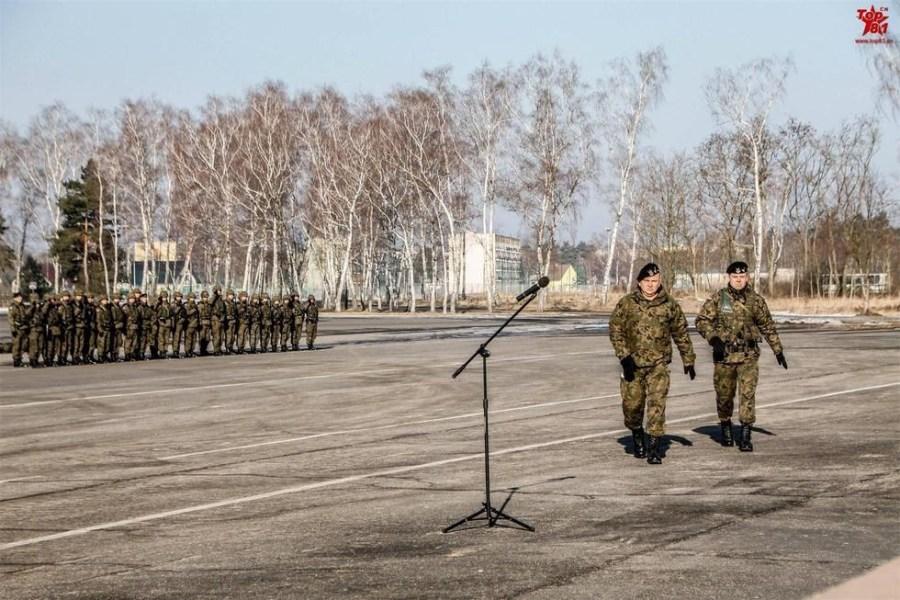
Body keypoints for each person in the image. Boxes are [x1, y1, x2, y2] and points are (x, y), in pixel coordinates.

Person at [695, 261, 787, 452]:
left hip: (748, 356)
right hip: (725, 357)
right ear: (729, 277)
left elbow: (767, 326)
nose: (739, 280)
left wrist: (778, 350)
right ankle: (726, 425)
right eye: (735, 277)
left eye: (742, 277)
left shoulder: (756, 301)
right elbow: (702, 321)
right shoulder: (719, 299)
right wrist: (714, 340)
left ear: (747, 277)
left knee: (747, 395)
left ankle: (745, 434)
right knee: (724, 396)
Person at [609, 263, 695, 464]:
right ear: (639, 282)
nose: (650, 285)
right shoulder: (627, 303)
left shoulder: (669, 305)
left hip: (658, 365)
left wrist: (688, 359)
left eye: (654, 281)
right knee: (632, 407)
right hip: (633, 365)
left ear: (660, 282)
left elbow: (680, 332)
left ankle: (654, 449)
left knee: (657, 406)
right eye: (647, 281)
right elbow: (616, 330)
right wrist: (624, 356)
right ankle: (637, 434)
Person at [8, 291, 29, 367]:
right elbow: (10, 318)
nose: (21, 298)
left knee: (23, 345)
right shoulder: (13, 306)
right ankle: (16, 361)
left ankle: (20, 359)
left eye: (21, 297)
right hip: (17, 329)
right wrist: (13, 328)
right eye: (19, 297)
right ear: (15, 298)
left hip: (23, 328)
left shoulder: (22, 305)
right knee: (17, 345)